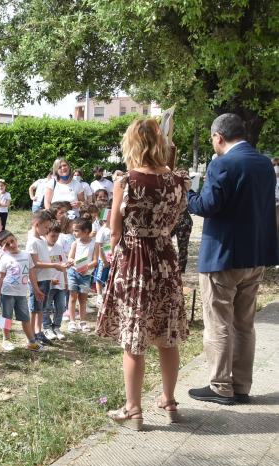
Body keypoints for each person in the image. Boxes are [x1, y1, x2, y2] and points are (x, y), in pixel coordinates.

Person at [96, 118, 191, 430]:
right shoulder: (179, 181)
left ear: (132, 144)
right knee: (167, 334)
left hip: (134, 261)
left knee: (133, 337)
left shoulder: (127, 181)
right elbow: (177, 219)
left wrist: (112, 257)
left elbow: (114, 231)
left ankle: (134, 410)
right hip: (165, 257)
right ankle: (169, 401)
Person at [185, 112, 278, 405]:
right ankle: (241, 384)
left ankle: (220, 385)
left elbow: (207, 205)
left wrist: (187, 193)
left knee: (218, 322)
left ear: (218, 137)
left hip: (222, 256)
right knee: (244, 323)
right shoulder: (264, 163)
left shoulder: (222, 163)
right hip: (255, 254)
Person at [0, 230, 43, 352]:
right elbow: (0, 277)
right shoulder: (4, 258)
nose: (11, 245)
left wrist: (36, 290)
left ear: (15, 239)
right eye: (7, 244)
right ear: (3, 247)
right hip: (7, 293)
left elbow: (31, 273)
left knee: (25, 318)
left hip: (21, 294)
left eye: (12, 241)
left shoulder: (26, 255)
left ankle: (31, 342)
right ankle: (6, 339)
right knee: (6, 318)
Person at [26, 210, 66, 345]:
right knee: (35, 308)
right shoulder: (32, 242)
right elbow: (35, 263)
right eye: (46, 227)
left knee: (41, 308)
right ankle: (32, 334)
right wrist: (54, 265)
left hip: (46, 279)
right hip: (37, 280)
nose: (47, 230)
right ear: (37, 224)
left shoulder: (42, 240)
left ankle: (38, 332)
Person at [66, 217, 99, 333]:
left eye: (76, 231)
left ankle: (83, 321)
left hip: (86, 275)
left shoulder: (94, 245)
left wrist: (86, 267)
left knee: (83, 299)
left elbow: (95, 261)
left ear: (85, 231)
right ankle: (72, 321)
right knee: (73, 297)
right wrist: (74, 263)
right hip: (73, 273)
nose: (74, 233)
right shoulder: (75, 243)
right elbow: (70, 257)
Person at [42, 222, 69, 340]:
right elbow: (40, 266)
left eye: (57, 236)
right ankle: (47, 327)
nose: (55, 238)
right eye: (53, 236)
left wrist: (66, 280)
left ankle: (56, 326)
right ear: (46, 234)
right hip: (48, 283)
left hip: (60, 283)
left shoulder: (59, 247)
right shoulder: (42, 248)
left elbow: (63, 264)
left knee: (61, 306)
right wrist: (49, 279)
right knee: (47, 307)